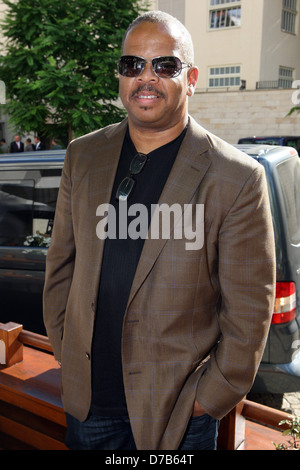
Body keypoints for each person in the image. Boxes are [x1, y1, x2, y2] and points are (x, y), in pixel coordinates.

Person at [43, 11, 276, 451]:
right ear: (120, 77)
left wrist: (209, 398)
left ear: (190, 78)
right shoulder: (83, 155)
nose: (145, 78)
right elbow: (61, 267)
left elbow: (249, 310)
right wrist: (65, 351)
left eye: (163, 65)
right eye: (133, 65)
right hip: (89, 406)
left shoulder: (237, 178)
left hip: (178, 417)